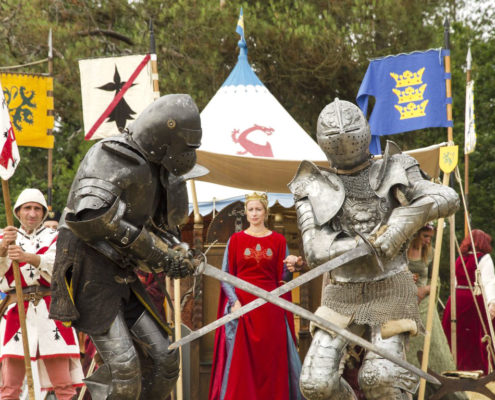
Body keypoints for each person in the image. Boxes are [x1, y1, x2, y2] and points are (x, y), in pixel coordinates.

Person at [289, 98, 459, 400]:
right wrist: (360, 243)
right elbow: (315, 249)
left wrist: (400, 224)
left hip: (390, 287)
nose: (344, 141)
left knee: (380, 378)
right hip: (341, 292)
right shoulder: (313, 185)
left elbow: (447, 197)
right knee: (316, 384)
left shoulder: (394, 167)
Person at [49, 94, 203, 400]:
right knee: (125, 369)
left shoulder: (159, 169)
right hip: (90, 269)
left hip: (122, 273)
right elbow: (91, 218)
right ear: (164, 135)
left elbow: (159, 226)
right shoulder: (110, 155)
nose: (188, 153)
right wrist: (158, 253)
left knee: (166, 361)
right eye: (184, 143)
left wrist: (177, 251)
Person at [209, 192, 302, 400]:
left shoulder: (278, 240)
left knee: (271, 363)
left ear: (265, 212)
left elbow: (284, 276)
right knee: (242, 365)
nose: (254, 213)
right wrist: (234, 302)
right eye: (250, 209)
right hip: (244, 309)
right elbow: (225, 276)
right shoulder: (236, 240)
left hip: (271, 310)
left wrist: (294, 263)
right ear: (246, 212)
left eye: (258, 209)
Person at [0, 188, 83, 400]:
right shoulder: (4, 237)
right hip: (17, 312)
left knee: (64, 385)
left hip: (51, 311)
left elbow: (62, 268)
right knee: (9, 387)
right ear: (18, 212)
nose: (32, 213)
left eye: (37, 208)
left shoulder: (56, 238)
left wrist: (28, 257)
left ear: (44, 213)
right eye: (27, 208)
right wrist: (3, 249)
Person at [406, 224, 467, 400]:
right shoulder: (403, 251)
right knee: (410, 353)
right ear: (416, 233)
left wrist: (425, 290)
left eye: (430, 237)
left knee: (435, 351)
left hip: (425, 307)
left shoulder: (430, 252)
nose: (428, 240)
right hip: (405, 306)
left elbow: (436, 280)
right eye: (425, 236)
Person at [442, 229, 495, 374]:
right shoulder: (484, 259)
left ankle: (453, 365)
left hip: (456, 299)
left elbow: (454, 281)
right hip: (473, 300)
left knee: (457, 334)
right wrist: (492, 302)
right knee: (474, 336)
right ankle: (475, 367)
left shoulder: (460, 258)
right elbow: (489, 282)